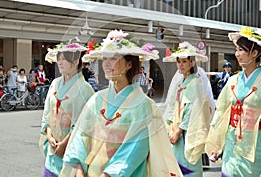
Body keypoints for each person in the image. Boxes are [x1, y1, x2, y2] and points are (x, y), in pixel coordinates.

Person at [60, 29, 182, 176]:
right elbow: (81, 134)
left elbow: (135, 149)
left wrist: (107, 174)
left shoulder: (143, 104)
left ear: (129, 64)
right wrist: (79, 168)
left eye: (113, 58)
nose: (107, 64)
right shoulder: (97, 99)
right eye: (104, 59)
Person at [205, 27, 261, 176]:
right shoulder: (233, 80)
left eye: (241, 50)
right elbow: (221, 111)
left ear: (254, 53)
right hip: (231, 140)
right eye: (236, 49)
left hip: (255, 144)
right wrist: (216, 141)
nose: (237, 54)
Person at [39, 37, 95, 177]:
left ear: (76, 61)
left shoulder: (85, 89)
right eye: (59, 58)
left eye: (64, 59)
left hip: (72, 149)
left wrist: (64, 143)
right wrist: (49, 134)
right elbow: (47, 112)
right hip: (53, 148)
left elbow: (85, 124)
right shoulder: (55, 83)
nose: (60, 62)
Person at [163, 41, 214, 176]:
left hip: (187, 132)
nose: (181, 65)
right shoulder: (180, 83)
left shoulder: (196, 83)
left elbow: (192, 111)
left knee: (188, 163)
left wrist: (179, 131)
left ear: (192, 63)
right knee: (176, 164)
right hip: (176, 129)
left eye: (184, 61)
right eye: (178, 61)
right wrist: (170, 125)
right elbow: (173, 105)